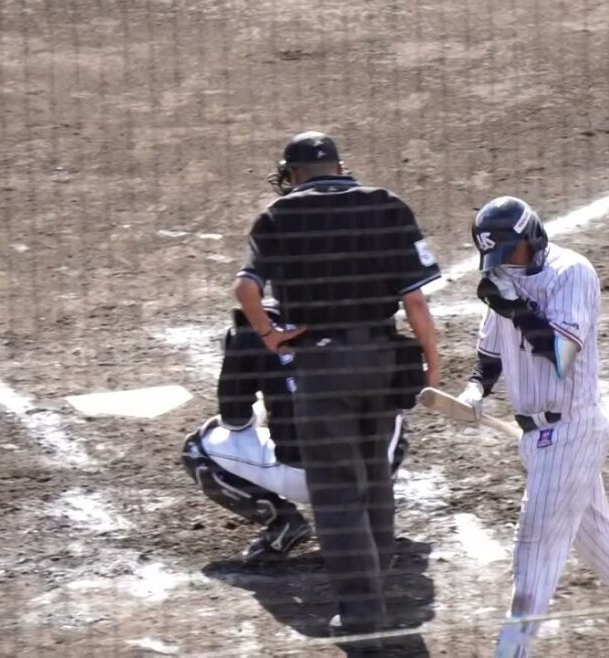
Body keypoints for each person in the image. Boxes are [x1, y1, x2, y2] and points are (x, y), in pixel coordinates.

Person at [455, 196, 609, 658]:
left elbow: (561, 356)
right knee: (606, 552)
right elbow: (489, 354)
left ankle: (511, 653)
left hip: (570, 432)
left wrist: (515, 308)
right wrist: (475, 389)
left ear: (532, 237)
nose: (506, 264)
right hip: (538, 439)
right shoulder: (503, 279)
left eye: (510, 252)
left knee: (533, 558)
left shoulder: (572, 273)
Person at [233, 131, 440, 650]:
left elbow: (245, 289)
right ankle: (379, 591)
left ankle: (363, 618)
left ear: (293, 174)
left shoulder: (278, 215)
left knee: (338, 495)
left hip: (322, 369)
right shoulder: (387, 205)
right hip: (383, 362)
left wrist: (269, 335)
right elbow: (415, 302)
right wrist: (433, 365)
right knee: (375, 479)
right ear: (340, 168)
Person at [180, 297, 410, 564]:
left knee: (197, 449)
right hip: (367, 471)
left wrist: (270, 396)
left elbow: (236, 421)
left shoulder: (252, 332)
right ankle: (375, 517)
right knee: (392, 416)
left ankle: (284, 522)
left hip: (304, 477)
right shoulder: (361, 322)